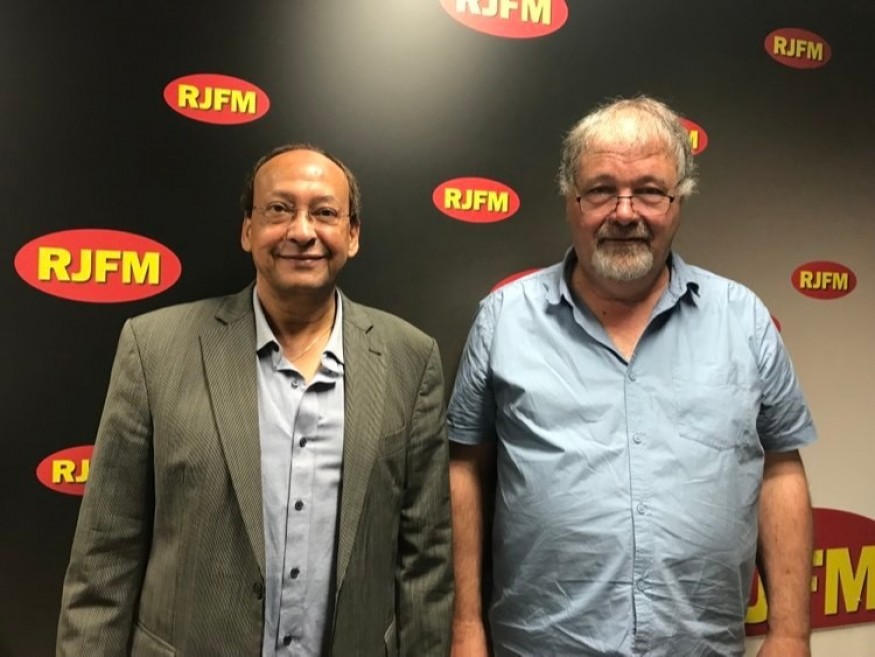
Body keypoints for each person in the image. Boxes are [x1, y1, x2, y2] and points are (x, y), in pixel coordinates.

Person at [447, 96, 816, 657]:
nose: (624, 213)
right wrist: (466, 628)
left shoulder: (743, 319)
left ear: (679, 200)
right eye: (601, 190)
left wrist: (790, 632)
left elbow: (780, 468)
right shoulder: (504, 318)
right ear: (570, 200)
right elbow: (465, 471)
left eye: (648, 191)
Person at [57, 144, 453, 656]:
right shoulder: (155, 349)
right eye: (280, 209)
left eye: (324, 212)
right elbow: (105, 558)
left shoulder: (410, 360)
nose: (302, 231)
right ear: (248, 229)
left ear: (352, 234)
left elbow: (425, 565)